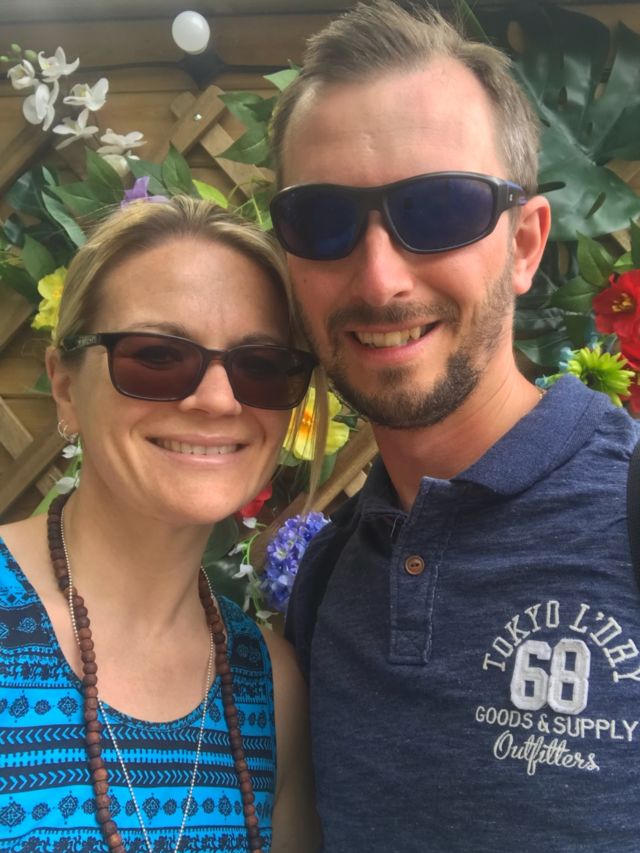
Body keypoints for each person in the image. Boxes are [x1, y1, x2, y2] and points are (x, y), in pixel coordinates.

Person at [268, 2, 640, 851]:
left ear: (525, 244)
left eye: (438, 209)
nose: (380, 278)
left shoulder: (626, 510)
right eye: (323, 220)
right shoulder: (329, 583)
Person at [0, 196, 323, 853]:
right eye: (155, 356)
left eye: (261, 366)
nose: (217, 399)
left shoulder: (268, 684)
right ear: (64, 386)